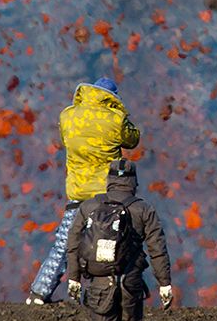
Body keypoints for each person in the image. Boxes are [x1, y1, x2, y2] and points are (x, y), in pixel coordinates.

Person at [26, 77, 141, 305]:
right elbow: (133, 139)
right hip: (107, 197)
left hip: (78, 194)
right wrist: (120, 112)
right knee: (112, 245)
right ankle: (107, 298)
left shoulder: (68, 116)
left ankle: (39, 293)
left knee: (65, 243)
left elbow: (66, 140)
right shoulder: (116, 119)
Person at [65, 159, 172, 321]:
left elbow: (73, 243)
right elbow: (157, 249)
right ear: (134, 182)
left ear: (109, 180)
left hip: (99, 281)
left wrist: (74, 278)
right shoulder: (143, 209)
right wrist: (164, 284)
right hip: (130, 282)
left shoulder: (89, 207)